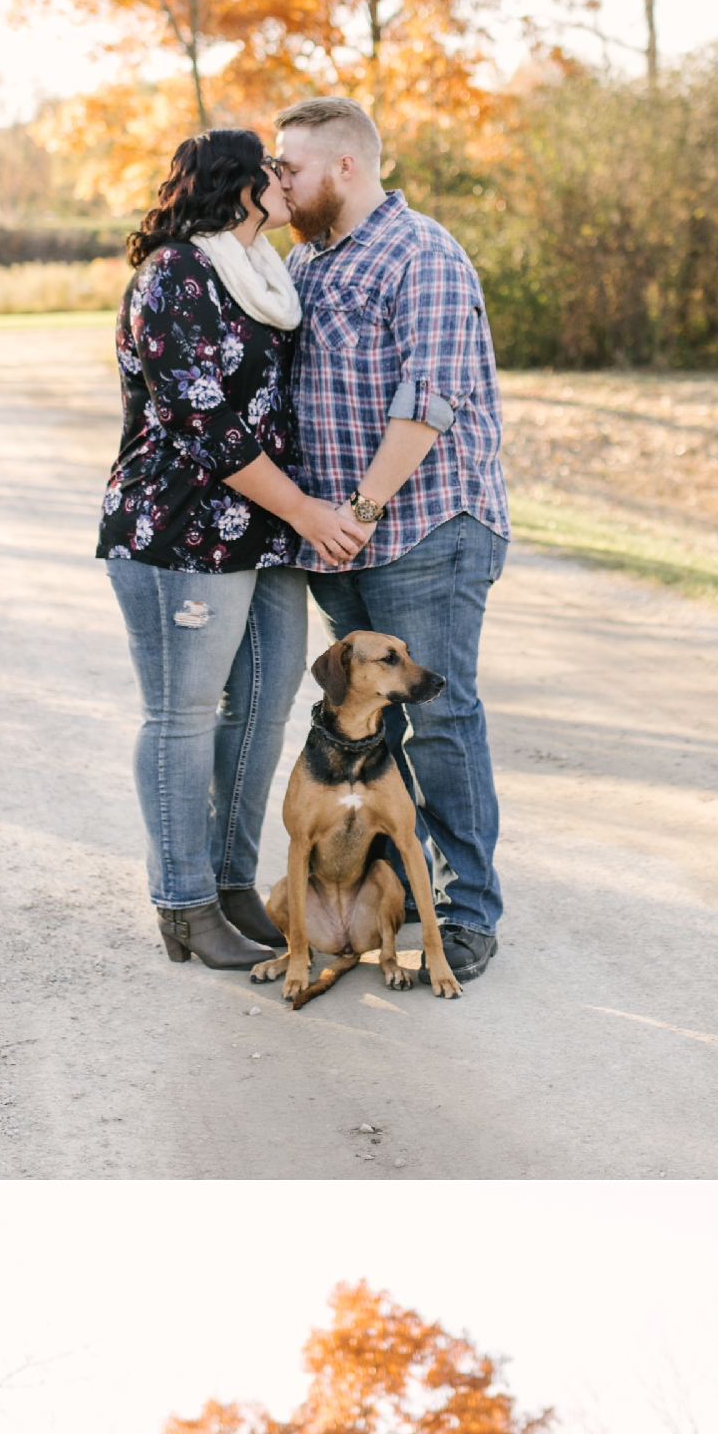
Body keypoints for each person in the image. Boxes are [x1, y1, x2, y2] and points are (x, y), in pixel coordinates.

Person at [99, 129, 368, 971]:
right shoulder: (174, 276)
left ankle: (227, 883)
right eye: (273, 170)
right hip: (177, 531)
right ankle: (182, 905)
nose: (287, 179)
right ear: (239, 186)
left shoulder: (266, 276)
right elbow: (205, 424)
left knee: (261, 708)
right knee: (181, 716)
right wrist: (310, 512)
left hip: (261, 533)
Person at [273, 95, 512, 994]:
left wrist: (362, 511)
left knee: (442, 719)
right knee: (369, 724)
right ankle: (397, 890)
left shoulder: (423, 255)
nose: (279, 182)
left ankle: (467, 913)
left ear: (344, 166)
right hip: (344, 541)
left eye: (289, 167)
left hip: (423, 530)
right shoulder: (307, 262)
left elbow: (428, 403)